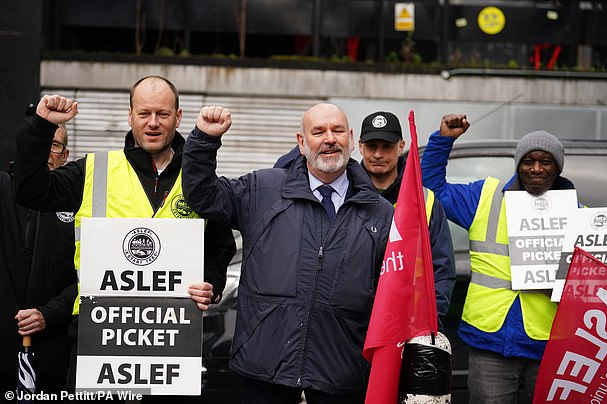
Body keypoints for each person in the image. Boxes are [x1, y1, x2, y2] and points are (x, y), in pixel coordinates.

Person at [12, 76, 236, 396]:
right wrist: (41, 128)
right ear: (130, 116)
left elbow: (219, 247)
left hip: (172, 341)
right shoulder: (92, 170)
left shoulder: (199, 180)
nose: (153, 123)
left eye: (162, 114)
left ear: (178, 116)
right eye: (144, 114)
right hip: (97, 339)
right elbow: (29, 190)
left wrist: (209, 283)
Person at [182, 103, 394, 404]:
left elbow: (392, 295)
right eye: (318, 132)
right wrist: (204, 139)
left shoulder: (381, 214)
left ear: (350, 137)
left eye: (336, 131)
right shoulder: (262, 190)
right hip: (266, 366)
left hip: (343, 372)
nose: (329, 139)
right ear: (301, 141)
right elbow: (202, 195)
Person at [421, 115, 579, 404]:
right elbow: (431, 188)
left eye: (546, 162)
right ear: (517, 164)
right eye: (528, 160)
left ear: (558, 168)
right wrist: (443, 140)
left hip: (549, 344)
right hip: (490, 341)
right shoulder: (486, 196)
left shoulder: (578, 213)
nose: (536, 168)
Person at [358, 111, 455, 327]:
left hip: (408, 324)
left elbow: (442, 269)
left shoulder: (425, 200)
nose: (378, 154)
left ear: (401, 146)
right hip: (352, 327)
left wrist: (430, 322)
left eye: (387, 146)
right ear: (360, 146)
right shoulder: (344, 195)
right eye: (372, 146)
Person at [0, 123, 76, 396]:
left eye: (54, 144)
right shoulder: (2, 188)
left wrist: (49, 314)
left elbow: (91, 278)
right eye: (39, 142)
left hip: (54, 360)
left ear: (65, 155)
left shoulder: (79, 205)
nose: (45, 150)